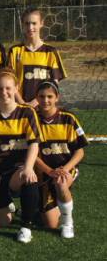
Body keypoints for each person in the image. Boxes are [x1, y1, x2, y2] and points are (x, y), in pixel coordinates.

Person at [0, 68, 41, 243]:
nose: (4, 92)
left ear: (16, 88)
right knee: (1, 223)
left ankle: (26, 226)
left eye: (8, 88)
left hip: (16, 172)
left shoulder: (27, 112)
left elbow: (34, 143)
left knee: (29, 177)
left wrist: (28, 167)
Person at [34, 80, 87, 239]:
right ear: (36, 97)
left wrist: (64, 168)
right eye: (42, 96)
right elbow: (31, 153)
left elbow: (80, 152)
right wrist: (49, 171)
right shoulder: (32, 119)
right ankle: (43, 204)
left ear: (57, 97)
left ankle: (67, 222)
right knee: (50, 224)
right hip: (44, 172)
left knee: (61, 182)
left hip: (65, 168)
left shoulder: (68, 118)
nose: (45, 100)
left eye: (50, 96)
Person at [8, 8, 66, 107]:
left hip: (44, 107)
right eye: (27, 23)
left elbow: (54, 83)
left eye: (34, 23)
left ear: (41, 23)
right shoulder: (15, 51)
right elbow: (9, 81)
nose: (30, 27)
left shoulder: (50, 51)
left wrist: (36, 101)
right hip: (20, 107)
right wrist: (23, 103)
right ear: (22, 25)